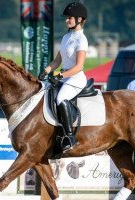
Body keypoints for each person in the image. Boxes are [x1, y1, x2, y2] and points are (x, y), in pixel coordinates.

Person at [38, 2, 88, 151]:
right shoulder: (66, 37)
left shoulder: (82, 40)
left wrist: (60, 75)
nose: (67, 20)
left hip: (76, 78)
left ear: (79, 19)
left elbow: (79, 66)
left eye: (70, 18)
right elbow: (57, 61)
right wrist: (46, 71)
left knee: (60, 99)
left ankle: (70, 137)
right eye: (66, 18)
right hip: (65, 76)